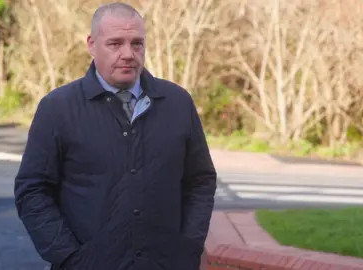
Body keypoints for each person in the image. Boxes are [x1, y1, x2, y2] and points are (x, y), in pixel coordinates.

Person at [14, 2, 217, 270]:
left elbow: (200, 180)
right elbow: (32, 190)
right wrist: (70, 257)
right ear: (91, 44)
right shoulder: (58, 108)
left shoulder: (177, 104)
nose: (128, 54)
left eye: (137, 44)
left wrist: (188, 247)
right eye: (115, 43)